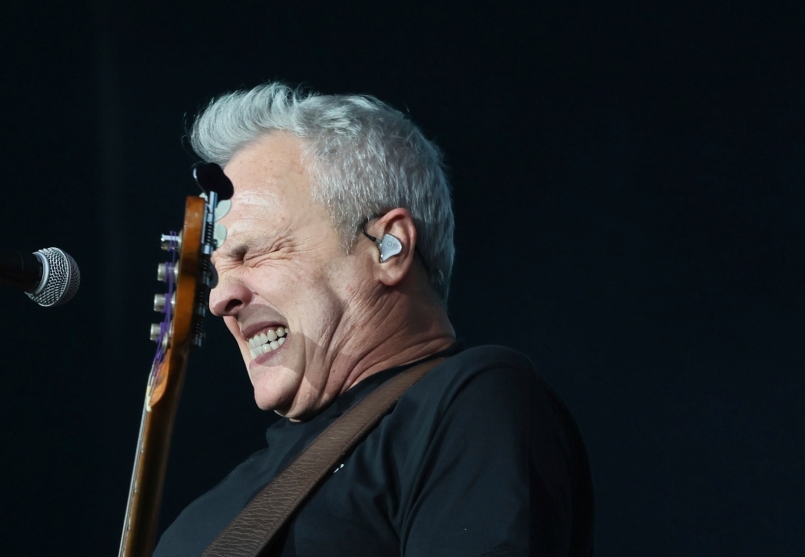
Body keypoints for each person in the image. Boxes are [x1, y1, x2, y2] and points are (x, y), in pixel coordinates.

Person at [154, 83, 594, 556]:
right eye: (219, 271)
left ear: (391, 247)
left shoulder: (470, 403)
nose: (220, 298)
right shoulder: (203, 517)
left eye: (257, 252)